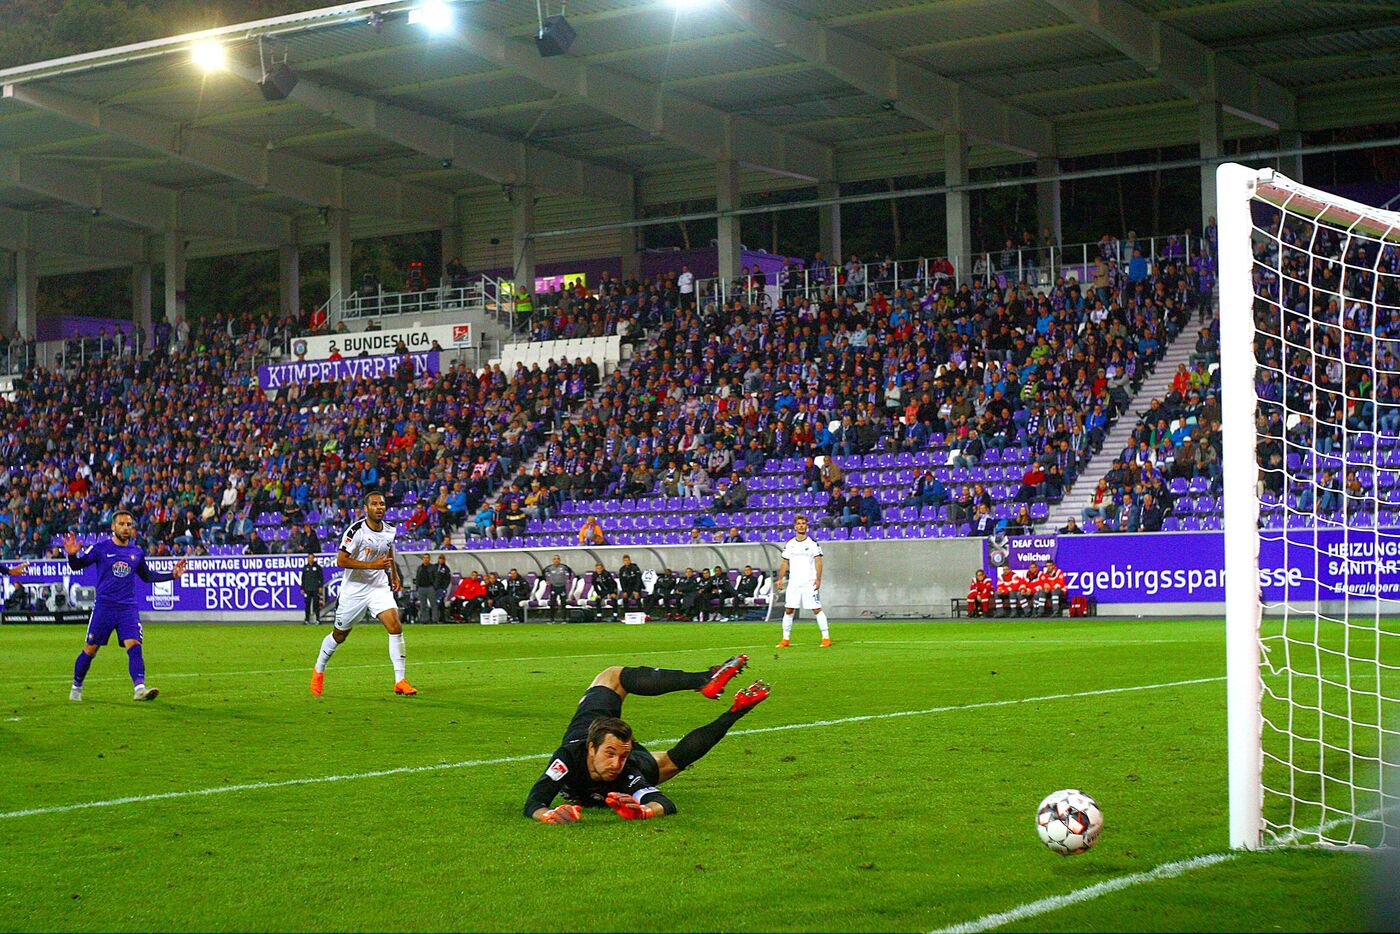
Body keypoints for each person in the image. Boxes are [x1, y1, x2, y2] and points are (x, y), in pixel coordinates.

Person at [524, 655, 769, 823]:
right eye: (610, 754)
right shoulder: (567, 758)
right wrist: (550, 815)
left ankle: (714, 687)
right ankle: (714, 688)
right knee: (668, 762)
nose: (616, 764)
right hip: (593, 728)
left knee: (613, 678)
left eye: (622, 756)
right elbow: (535, 802)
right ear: (591, 748)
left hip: (605, 735)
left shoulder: (627, 769)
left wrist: (643, 812)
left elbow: (663, 803)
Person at [64, 511, 187, 702]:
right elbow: (76, 565)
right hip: (104, 607)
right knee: (90, 649)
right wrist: (72, 555)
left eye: (129, 524)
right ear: (113, 526)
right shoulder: (101, 548)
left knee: (134, 645)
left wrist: (172, 575)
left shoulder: (136, 552)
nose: (125, 528)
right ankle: (76, 687)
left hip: (127, 608)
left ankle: (140, 688)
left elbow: (147, 576)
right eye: (121, 524)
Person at [310, 491, 415, 697]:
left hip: (378, 586)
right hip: (355, 590)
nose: (379, 507)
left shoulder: (390, 529)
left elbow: (388, 549)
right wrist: (372, 565)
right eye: (374, 504)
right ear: (366, 509)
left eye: (382, 504)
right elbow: (341, 560)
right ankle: (319, 668)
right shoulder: (356, 531)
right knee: (339, 635)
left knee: (395, 625)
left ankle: (400, 680)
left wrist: (394, 574)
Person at [775, 514, 831, 648]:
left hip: (809, 582)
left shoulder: (812, 544)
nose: (801, 526)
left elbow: (819, 562)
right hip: (794, 583)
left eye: (803, 523)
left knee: (816, 609)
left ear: (807, 526)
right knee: (789, 609)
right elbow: (784, 562)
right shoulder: (790, 544)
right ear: (795, 526)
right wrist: (780, 578)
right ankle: (785, 639)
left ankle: (826, 637)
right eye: (799, 523)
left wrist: (818, 579)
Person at [543, 554, 573, 623]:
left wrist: (569, 579)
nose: (556, 560)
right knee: (552, 603)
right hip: (553, 587)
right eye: (554, 559)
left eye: (558, 559)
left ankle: (564, 619)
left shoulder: (564, 567)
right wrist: (546, 580)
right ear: (552, 560)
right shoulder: (549, 568)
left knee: (563, 603)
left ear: (560, 560)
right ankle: (552, 619)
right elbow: (543, 572)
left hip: (562, 587)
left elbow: (570, 571)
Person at [415, 554, 439, 624]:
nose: (425, 559)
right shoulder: (420, 568)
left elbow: (436, 577)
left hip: (430, 587)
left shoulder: (433, 567)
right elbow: (417, 577)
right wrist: (417, 587)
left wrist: (434, 586)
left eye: (427, 558)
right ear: (422, 559)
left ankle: (435, 619)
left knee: (433, 604)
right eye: (424, 558)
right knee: (423, 605)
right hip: (421, 588)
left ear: (429, 559)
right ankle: (424, 620)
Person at [301, 553, 325, 625]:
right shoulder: (305, 568)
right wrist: (302, 588)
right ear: (307, 559)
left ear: (314, 559)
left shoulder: (318, 567)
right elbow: (303, 579)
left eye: (311, 558)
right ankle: (307, 619)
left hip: (315, 589)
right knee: (307, 605)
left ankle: (317, 619)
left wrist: (320, 587)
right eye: (309, 558)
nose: (310, 559)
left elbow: (321, 578)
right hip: (307, 589)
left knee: (316, 605)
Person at [434, 555, 453, 623]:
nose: (441, 560)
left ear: (444, 560)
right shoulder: (434, 567)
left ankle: (442, 618)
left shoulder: (446, 568)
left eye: (442, 559)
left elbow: (448, 579)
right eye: (440, 559)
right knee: (434, 603)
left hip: (441, 588)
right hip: (433, 588)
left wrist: (444, 587)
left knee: (441, 603)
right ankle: (434, 618)